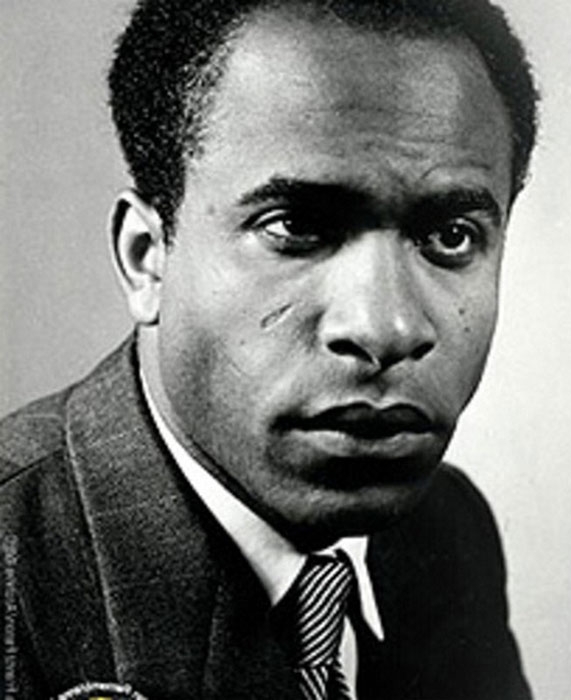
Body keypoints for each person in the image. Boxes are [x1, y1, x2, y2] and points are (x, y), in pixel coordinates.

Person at [0, 0, 539, 698]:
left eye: (451, 236)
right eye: (294, 228)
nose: (385, 327)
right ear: (146, 260)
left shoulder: (445, 531)